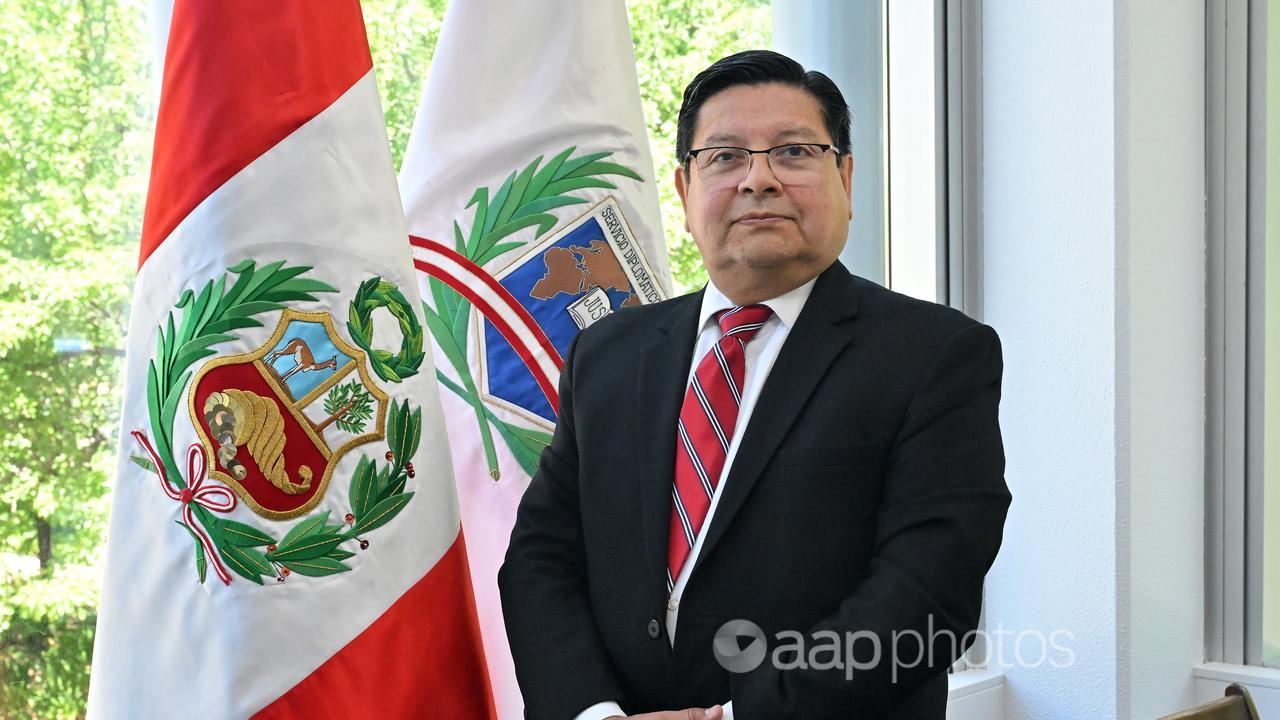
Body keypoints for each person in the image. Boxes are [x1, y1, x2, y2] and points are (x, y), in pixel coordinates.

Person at [499, 49, 1010, 720]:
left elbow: (926, 594)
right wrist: (595, 714)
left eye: (794, 152)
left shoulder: (935, 356)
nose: (758, 179)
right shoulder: (609, 354)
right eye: (726, 156)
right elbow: (541, 558)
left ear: (846, 179)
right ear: (684, 192)